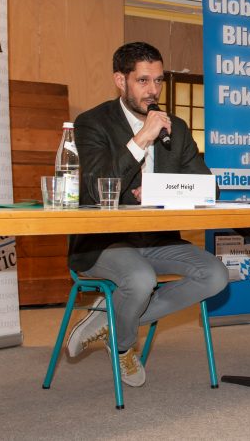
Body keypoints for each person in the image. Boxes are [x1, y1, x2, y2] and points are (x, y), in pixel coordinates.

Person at [65, 41, 228, 386]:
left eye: (158, 80)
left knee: (215, 275)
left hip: (157, 238)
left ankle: (108, 317)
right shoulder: (92, 123)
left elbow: (209, 189)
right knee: (140, 279)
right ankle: (124, 346)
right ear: (120, 81)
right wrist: (142, 137)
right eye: (142, 81)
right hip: (103, 242)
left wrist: (162, 193)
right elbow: (97, 188)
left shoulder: (177, 128)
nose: (153, 90)